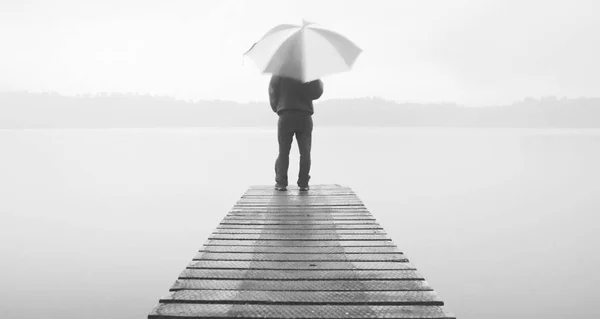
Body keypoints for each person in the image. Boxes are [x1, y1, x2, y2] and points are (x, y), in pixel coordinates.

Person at [269, 75, 323, 191]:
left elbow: (272, 91)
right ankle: (303, 184)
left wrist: (277, 108)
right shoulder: (307, 71)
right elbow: (317, 93)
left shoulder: (279, 71)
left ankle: (281, 183)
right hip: (304, 115)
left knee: (283, 152)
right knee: (305, 152)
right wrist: (318, 78)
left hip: (286, 114)